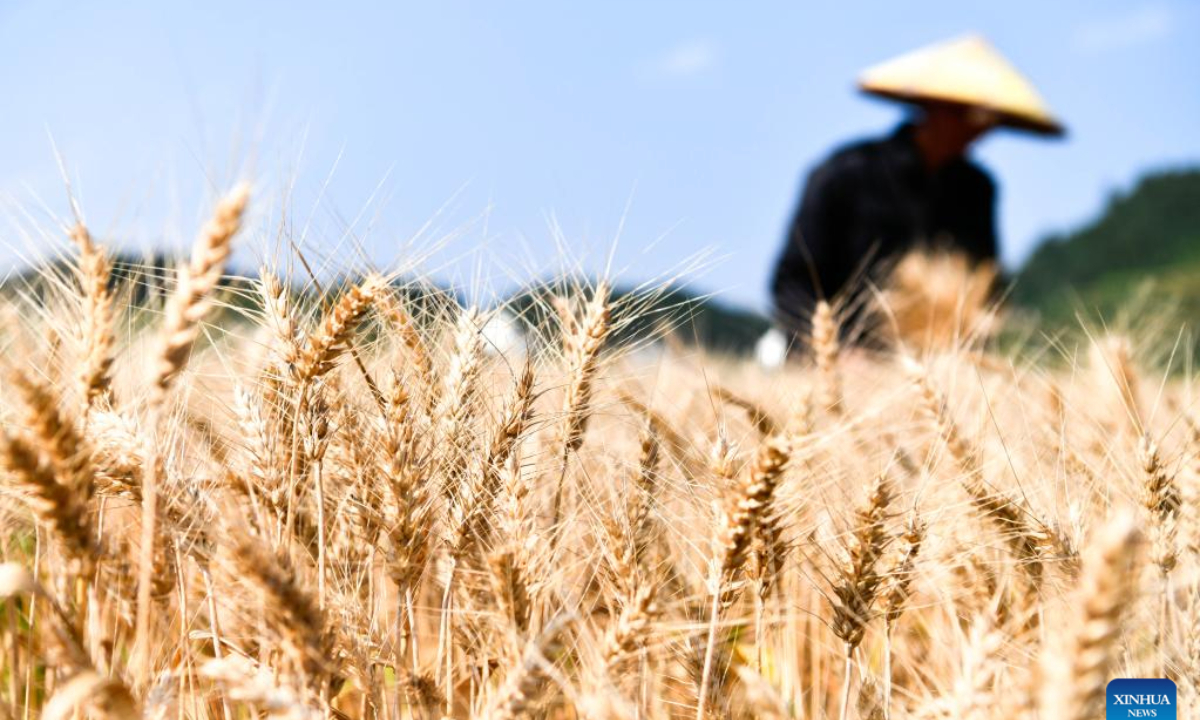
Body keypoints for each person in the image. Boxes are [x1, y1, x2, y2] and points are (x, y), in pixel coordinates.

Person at [770, 34, 1064, 347]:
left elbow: (984, 286)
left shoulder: (976, 190)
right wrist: (835, 353)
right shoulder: (845, 173)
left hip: (940, 368)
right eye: (972, 115)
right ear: (935, 106)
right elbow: (793, 282)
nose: (980, 130)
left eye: (990, 121)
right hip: (846, 364)